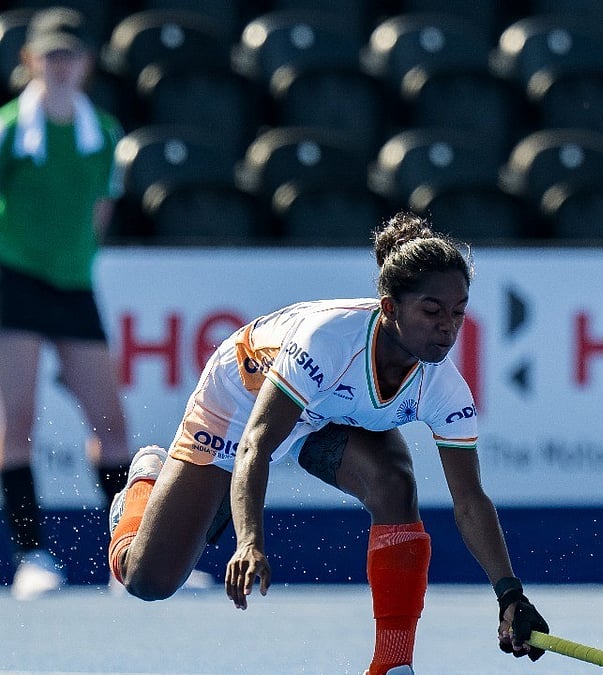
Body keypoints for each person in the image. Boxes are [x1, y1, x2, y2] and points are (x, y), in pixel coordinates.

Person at [106, 212, 549, 674]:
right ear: (390, 308)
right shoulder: (327, 340)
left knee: (394, 484)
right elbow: (256, 444)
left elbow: (470, 500)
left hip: (324, 412)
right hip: (242, 400)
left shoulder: (445, 387)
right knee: (148, 581)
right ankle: (146, 484)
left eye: (458, 313)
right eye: (432, 312)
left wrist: (510, 594)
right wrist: (250, 541)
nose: (448, 329)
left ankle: (393, 664)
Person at [0, 7, 130, 600]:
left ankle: (129, 557)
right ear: (29, 62)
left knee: (113, 427)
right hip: (14, 284)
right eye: (48, 55)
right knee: (17, 424)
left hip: (74, 288)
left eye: (69, 55)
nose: (59, 65)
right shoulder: (6, 129)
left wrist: (72, 261)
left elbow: (98, 212)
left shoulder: (103, 133)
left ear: (86, 65)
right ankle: (32, 555)